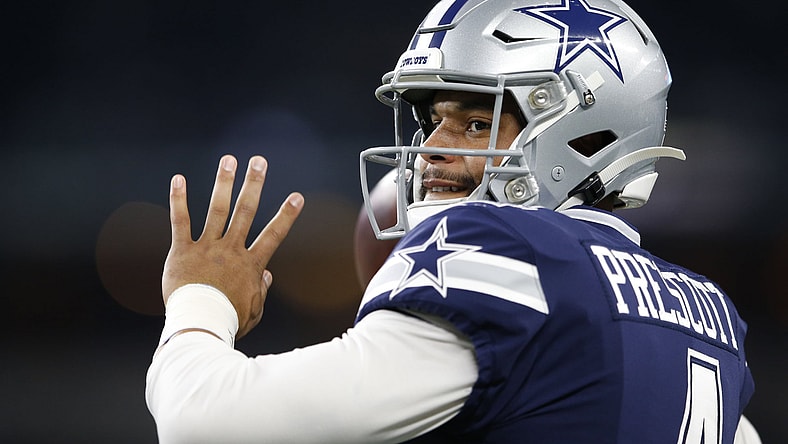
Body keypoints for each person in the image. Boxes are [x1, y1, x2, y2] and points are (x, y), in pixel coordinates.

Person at [146, 0, 760, 442]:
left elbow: (203, 420)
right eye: (434, 119)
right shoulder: (711, 320)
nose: (433, 148)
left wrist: (203, 299)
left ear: (585, 132)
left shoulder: (502, 254)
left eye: (475, 123)